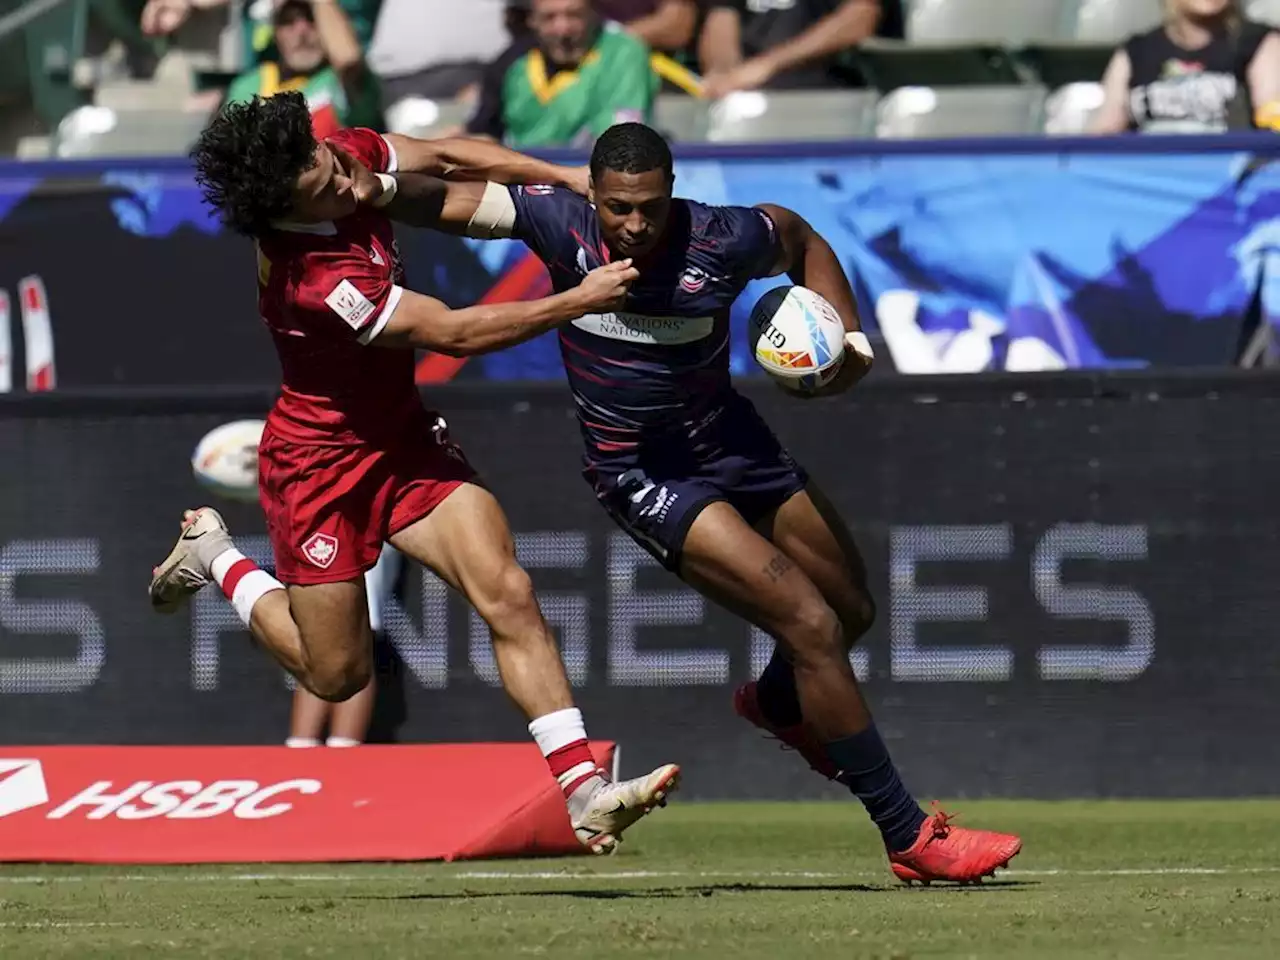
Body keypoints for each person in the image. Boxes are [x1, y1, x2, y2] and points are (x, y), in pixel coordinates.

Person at [467, 122, 1024, 883]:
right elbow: (420, 192)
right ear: (592, 195)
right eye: (619, 208)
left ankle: (774, 703)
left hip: (730, 438)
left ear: (674, 195)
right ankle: (909, 836)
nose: (635, 226)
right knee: (810, 623)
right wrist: (359, 181)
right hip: (642, 470)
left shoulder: (722, 237)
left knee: (852, 610)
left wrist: (850, 342)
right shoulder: (553, 220)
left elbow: (800, 238)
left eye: (652, 208)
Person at [149, 91, 677, 854]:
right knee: (335, 676)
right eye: (311, 178)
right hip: (318, 465)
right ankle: (216, 557)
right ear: (278, 206)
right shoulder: (313, 277)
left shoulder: (345, 156)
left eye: (319, 152)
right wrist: (577, 299)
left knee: (508, 591)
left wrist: (559, 176)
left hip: (400, 441)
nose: (331, 171)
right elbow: (455, 333)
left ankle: (584, 793)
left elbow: (454, 152)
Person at [466, 0, 659, 147]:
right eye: (549, 17)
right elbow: (484, 131)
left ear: (593, 13)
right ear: (532, 20)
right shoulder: (514, 61)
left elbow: (620, 144)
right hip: (522, 182)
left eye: (574, 15)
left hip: (587, 180)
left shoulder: (621, 52)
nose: (563, 29)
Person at [1091, 0, 1280, 134]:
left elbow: (1272, 122)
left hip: (1231, 179)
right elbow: (1105, 132)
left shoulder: (1261, 44)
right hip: (1150, 178)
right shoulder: (1135, 52)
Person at [285, 543, 401, 747]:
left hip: (362, 529)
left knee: (353, 633)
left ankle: (343, 752)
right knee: (316, 631)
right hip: (314, 525)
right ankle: (300, 750)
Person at [224, 0, 382, 139]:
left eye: (311, 18)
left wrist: (322, 3)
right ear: (275, 32)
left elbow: (348, 60)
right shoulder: (248, 86)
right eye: (288, 21)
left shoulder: (339, 81)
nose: (301, 31)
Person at [699, 0, 901, 97]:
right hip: (746, 103)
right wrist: (725, 74)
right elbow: (721, 17)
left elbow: (859, 19)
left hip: (827, 96)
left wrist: (768, 65)